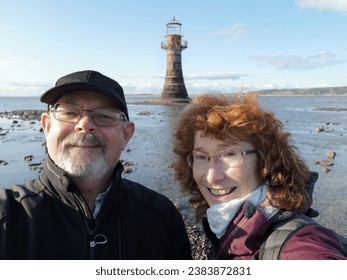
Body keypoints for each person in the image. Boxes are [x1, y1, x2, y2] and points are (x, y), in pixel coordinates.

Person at [0, 70, 192, 260]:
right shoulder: (7, 215)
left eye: (105, 115)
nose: (85, 124)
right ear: (47, 126)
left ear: (126, 135)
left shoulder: (161, 216)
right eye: (69, 112)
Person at [172, 93, 347, 260]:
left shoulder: (300, 247)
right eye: (201, 157)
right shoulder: (222, 229)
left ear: (265, 161)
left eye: (229, 154)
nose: (211, 177)